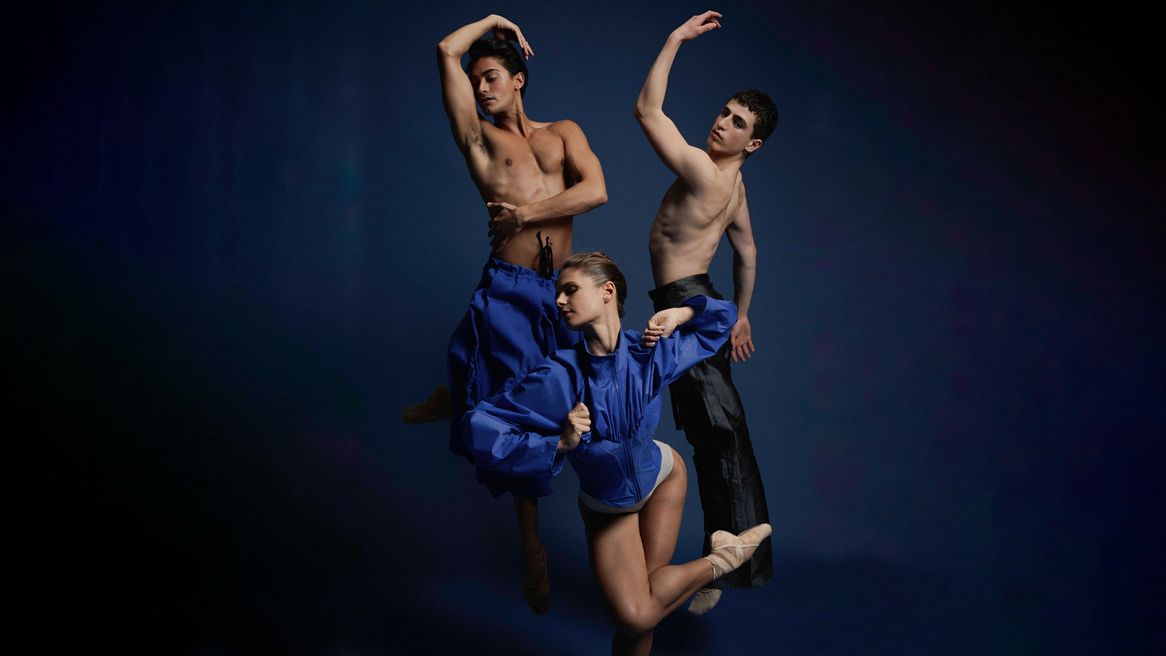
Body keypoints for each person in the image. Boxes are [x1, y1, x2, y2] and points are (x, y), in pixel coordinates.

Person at [463, 252, 771, 656]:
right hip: (611, 508)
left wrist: (678, 314)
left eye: (570, 290)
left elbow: (722, 322)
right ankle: (723, 559)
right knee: (637, 616)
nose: (559, 301)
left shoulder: (648, 354)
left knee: (645, 613)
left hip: (663, 477)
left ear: (607, 291)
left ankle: (720, 557)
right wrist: (558, 443)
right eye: (558, 293)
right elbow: (477, 428)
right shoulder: (559, 376)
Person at [435, 14, 608, 614]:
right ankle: (533, 548)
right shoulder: (479, 139)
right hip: (509, 288)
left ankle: (455, 392)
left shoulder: (563, 133)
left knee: (588, 399)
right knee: (525, 413)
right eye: (476, 80)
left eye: (491, 78)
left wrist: (525, 217)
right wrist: (489, 20)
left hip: (560, 293)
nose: (481, 88)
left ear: (518, 80)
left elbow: (596, 191)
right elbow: (445, 50)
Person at [634, 10, 777, 614]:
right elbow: (747, 250)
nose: (721, 124)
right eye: (723, 113)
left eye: (736, 122)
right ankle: (721, 558)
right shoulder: (734, 188)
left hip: (684, 303)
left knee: (717, 429)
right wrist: (739, 315)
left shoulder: (705, 174)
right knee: (708, 428)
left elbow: (646, 111)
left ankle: (723, 564)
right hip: (702, 302)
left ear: (754, 143)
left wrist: (674, 38)